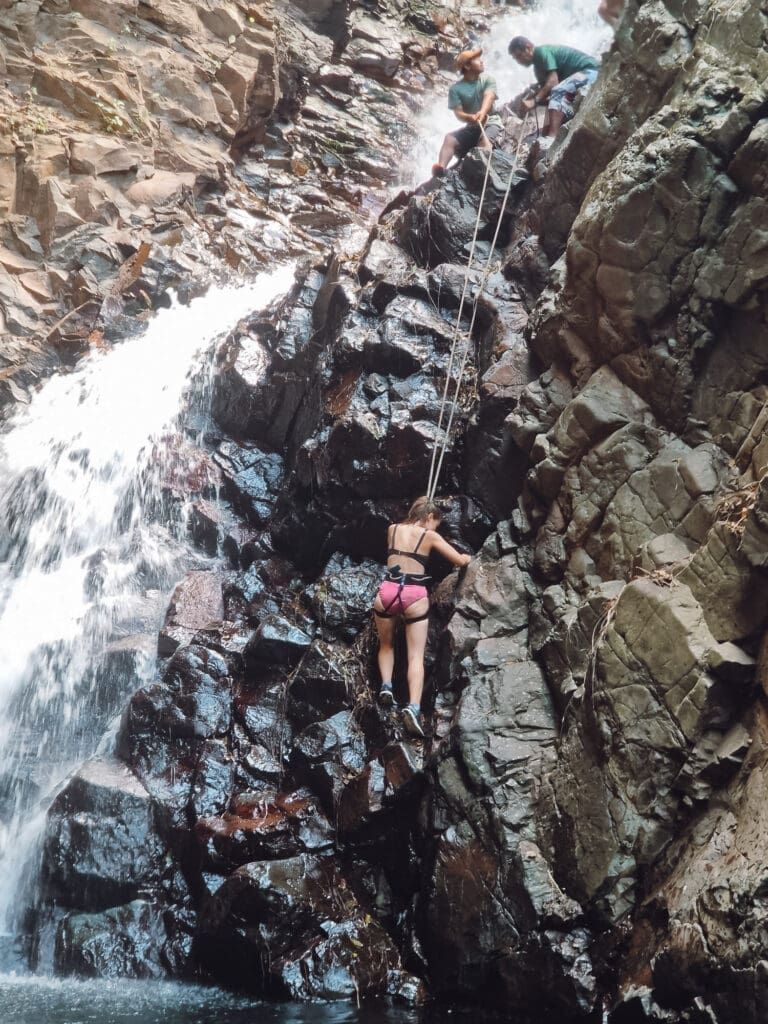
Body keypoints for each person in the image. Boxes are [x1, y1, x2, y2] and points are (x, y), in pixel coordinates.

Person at [373, 497, 471, 738]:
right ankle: (413, 708)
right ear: (429, 517)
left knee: (386, 645)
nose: (435, 528)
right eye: (435, 523)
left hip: (387, 591)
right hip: (413, 595)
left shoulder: (393, 529)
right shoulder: (430, 537)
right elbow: (459, 560)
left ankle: (386, 687)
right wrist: (469, 560)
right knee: (415, 656)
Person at [507, 37, 599, 141]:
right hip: (577, 80)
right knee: (555, 97)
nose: (519, 61)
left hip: (590, 71)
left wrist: (535, 100)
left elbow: (553, 82)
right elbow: (551, 98)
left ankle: (551, 138)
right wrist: (533, 103)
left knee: (557, 90)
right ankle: (545, 138)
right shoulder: (537, 69)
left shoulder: (542, 52)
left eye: (519, 56)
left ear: (528, 48)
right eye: (516, 59)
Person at [431, 47, 504, 178]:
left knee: (484, 140)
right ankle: (440, 169)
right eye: (476, 59)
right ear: (467, 66)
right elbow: (459, 113)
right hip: (472, 127)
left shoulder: (488, 79)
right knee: (449, 139)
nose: (481, 62)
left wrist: (482, 112)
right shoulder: (456, 89)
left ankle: (479, 174)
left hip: (491, 122)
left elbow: (489, 96)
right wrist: (470, 118)